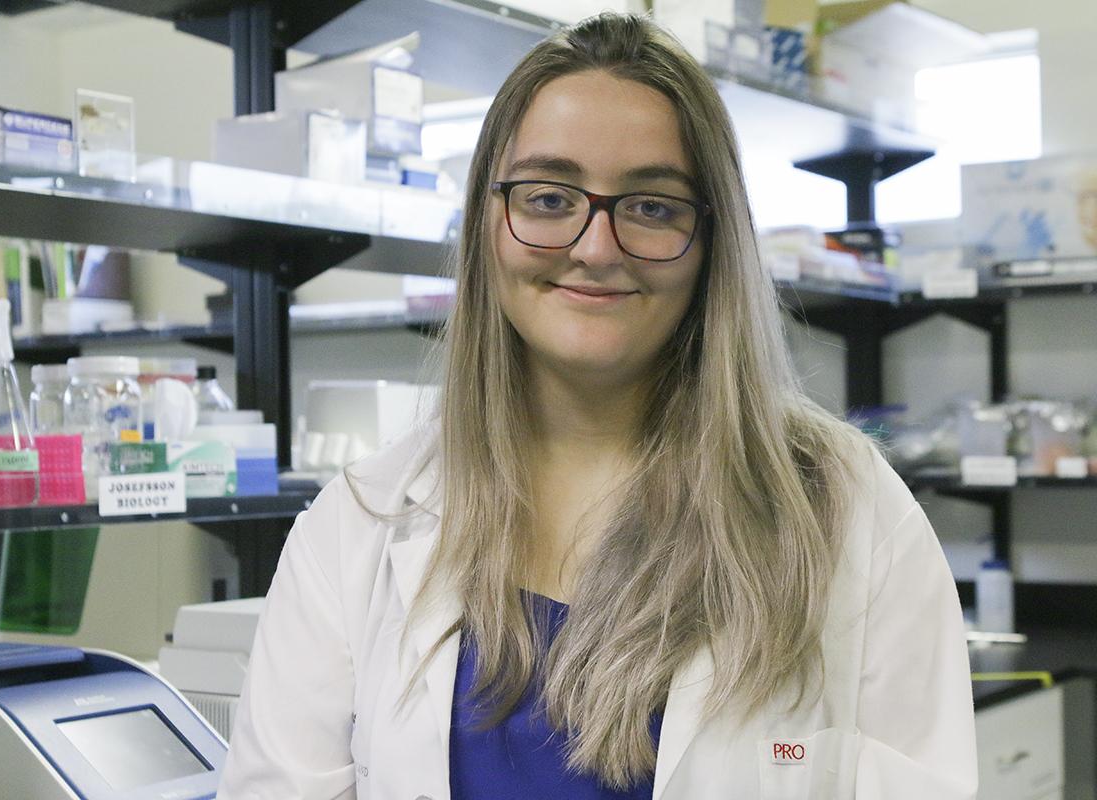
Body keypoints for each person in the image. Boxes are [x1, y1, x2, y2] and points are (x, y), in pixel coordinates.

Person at [218, 12, 977, 800]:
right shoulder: (356, 527)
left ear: (712, 242)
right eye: (549, 198)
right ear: (486, 223)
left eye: (651, 207)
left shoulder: (852, 512)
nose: (595, 247)